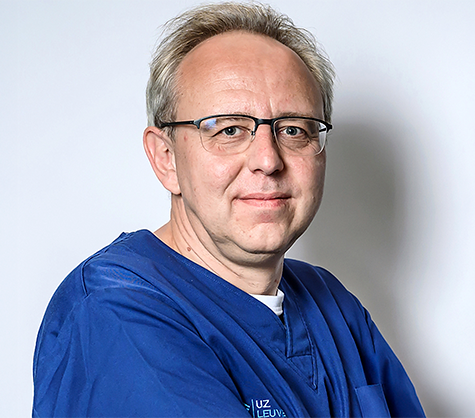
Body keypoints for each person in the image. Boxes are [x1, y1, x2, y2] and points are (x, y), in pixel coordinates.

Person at [32, 2, 427, 417]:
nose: (268, 160)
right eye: (230, 129)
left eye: (293, 129)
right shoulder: (115, 311)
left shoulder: (334, 308)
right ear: (166, 158)